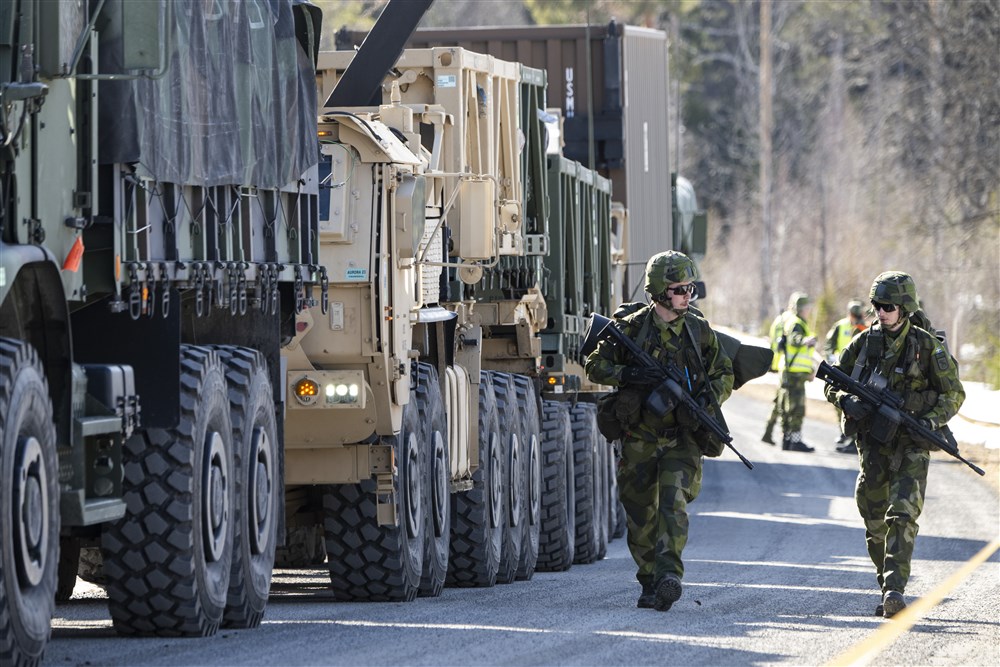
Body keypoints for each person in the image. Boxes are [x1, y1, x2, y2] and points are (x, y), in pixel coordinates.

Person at [585, 251, 733, 612]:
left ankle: (669, 575)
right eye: (681, 288)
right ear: (660, 291)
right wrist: (630, 375)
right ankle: (650, 580)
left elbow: (724, 373)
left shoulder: (699, 330)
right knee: (639, 513)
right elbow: (593, 364)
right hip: (639, 436)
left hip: (681, 437)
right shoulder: (632, 328)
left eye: (691, 288)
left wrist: (703, 399)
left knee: (673, 502)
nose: (688, 295)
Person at [823, 271, 964, 619]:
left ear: (904, 308)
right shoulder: (863, 343)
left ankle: (894, 589)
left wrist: (930, 420)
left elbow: (954, 393)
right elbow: (832, 381)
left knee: (901, 515)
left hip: (912, 443)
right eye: (876, 305)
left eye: (888, 306)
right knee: (874, 518)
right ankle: (884, 580)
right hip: (873, 443)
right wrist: (845, 401)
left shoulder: (926, 345)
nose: (881, 312)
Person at [824, 300, 868, 453]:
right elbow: (829, 344)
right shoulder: (840, 326)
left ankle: (853, 439)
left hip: (859, 373)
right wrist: (831, 357)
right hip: (842, 370)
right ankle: (845, 433)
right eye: (854, 315)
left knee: (857, 404)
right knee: (843, 403)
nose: (856, 318)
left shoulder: (864, 328)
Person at [777, 292, 817, 452]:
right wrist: (805, 341)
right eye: (807, 307)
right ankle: (795, 441)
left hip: (792, 372)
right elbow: (795, 339)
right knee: (796, 409)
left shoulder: (794, 321)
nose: (809, 310)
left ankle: (787, 440)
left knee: (788, 407)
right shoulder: (797, 324)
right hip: (794, 374)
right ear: (801, 308)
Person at [761, 304, 791, 445]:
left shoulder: (779, 320)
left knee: (778, 401)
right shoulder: (788, 321)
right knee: (783, 404)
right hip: (784, 366)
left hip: (778, 365)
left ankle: (768, 432)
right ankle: (785, 436)